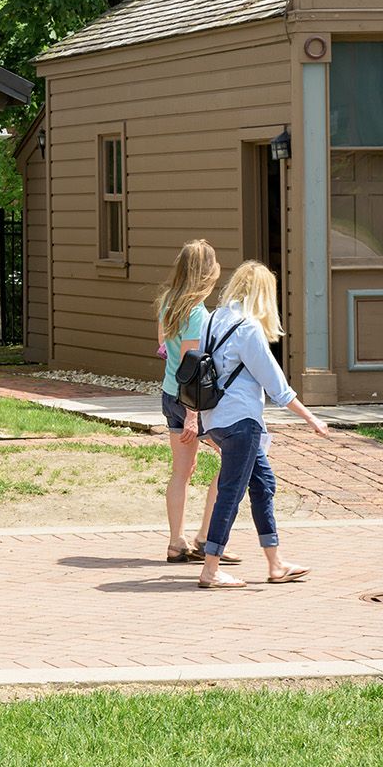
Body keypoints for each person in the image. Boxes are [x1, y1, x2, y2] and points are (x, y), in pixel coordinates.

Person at [193, 260, 332, 590]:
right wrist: (311, 417)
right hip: (241, 421)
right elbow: (276, 384)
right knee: (230, 493)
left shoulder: (212, 320)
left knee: (263, 484)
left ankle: (276, 564)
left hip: (215, 419)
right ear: (262, 294)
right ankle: (211, 569)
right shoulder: (247, 328)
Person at [154, 240, 224, 564]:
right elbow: (190, 365)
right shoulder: (196, 311)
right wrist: (193, 416)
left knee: (181, 472)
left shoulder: (168, 301)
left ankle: (176, 542)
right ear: (206, 272)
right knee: (235, 458)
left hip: (169, 394)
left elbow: (163, 346)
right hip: (190, 402)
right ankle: (206, 536)